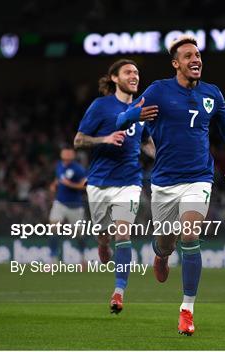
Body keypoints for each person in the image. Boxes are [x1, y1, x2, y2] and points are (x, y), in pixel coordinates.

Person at [116, 35, 225, 335]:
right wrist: (135, 114)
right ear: (176, 64)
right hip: (164, 182)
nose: (195, 59)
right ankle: (161, 255)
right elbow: (122, 119)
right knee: (167, 242)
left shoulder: (212, 93)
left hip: (199, 177)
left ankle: (186, 310)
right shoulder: (159, 90)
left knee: (190, 236)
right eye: (188, 56)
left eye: (197, 55)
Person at [74, 59, 158, 314]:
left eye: (137, 72)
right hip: (99, 182)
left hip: (129, 182)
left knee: (123, 233)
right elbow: (78, 140)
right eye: (128, 72)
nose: (134, 75)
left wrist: (165, 156)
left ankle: (118, 292)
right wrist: (105, 139)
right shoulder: (101, 106)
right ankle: (102, 243)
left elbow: (147, 143)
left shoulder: (140, 108)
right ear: (114, 78)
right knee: (104, 233)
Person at [48, 146, 87, 264]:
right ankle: (53, 258)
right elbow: (59, 178)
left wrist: (70, 184)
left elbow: (84, 185)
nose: (66, 160)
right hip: (60, 203)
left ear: (72, 157)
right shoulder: (59, 165)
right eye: (64, 158)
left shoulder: (78, 169)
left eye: (68, 158)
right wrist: (54, 184)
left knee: (79, 234)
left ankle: (82, 257)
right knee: (53, 228)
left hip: (75, 206)